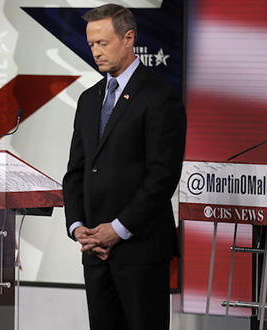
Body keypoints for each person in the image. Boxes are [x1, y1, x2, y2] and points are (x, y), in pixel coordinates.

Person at [62, 4, 186, 330]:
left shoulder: (160, 96)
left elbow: (162, 175)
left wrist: (116, 229)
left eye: (103, 43)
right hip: (94, 251)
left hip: (140, 251)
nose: (96, 52)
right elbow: (76, 171)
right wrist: (79, 228)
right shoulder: (89, 99)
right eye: (91, 45)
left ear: (128, 38)